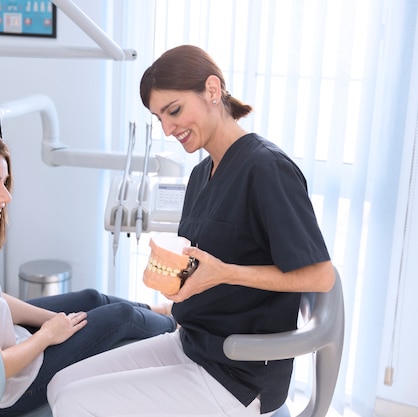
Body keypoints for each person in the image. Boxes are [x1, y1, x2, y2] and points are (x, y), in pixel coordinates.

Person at [47, 45, 336, 416]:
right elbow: (203, 264)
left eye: (174, 111)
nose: (167, 129)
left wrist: (225, 274)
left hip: (238, 374)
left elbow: (319, 275)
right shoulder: (201, 174)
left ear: (212, 90)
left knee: (76, 402)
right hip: (190, 344)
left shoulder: (267, 169)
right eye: (159, 118)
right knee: (60, 385)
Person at [0, 125, 176, 416]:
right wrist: (46, 336)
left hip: (7, 348)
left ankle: (158, 311)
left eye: (4, 183)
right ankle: (180, 326)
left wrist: (53, 320)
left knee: (92, 299)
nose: (6, 197)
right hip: (6, 390)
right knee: (121, 318)